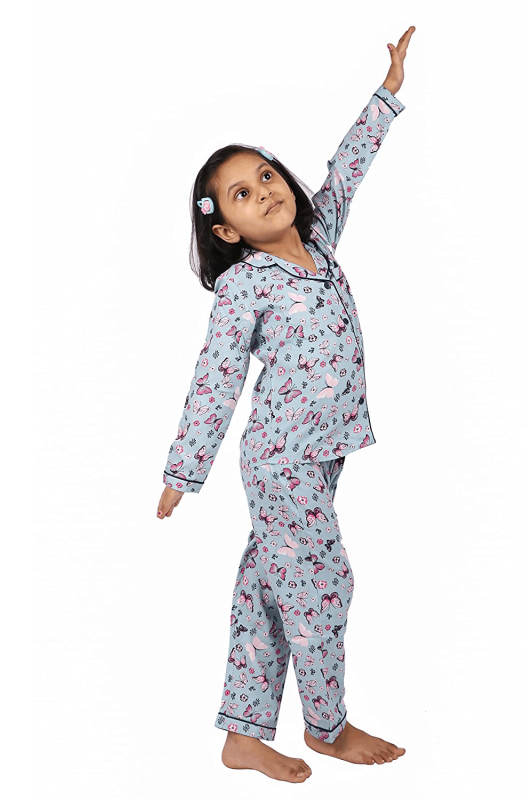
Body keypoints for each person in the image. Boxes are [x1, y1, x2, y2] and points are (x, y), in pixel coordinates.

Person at [156, 26, 416, 783]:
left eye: (266, 175)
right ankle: (327, 725)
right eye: (243, 193)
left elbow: (347, 171)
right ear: (226, 229)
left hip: (323, 449)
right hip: (281, 461)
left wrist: (387, 93)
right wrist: (183, 471)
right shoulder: (243, 285)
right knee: (323, 581)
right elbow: (215, 380)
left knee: (272, 584)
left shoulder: (319, 238)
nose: (265, 190)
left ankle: (242, 736)